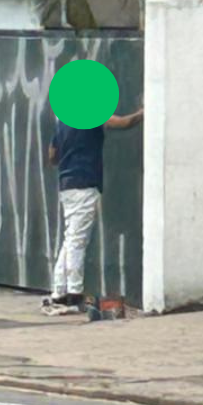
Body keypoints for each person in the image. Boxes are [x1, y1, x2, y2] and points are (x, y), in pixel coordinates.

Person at [45, 105, 144, 309]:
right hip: (85, 181)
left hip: (67, 184)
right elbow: (123, 123)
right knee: (77, 240)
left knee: (71, 237)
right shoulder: (91, 114)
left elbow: (52, 155)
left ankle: (59, 291)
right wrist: (142, 113)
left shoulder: (63, 121)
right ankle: (74, 292)